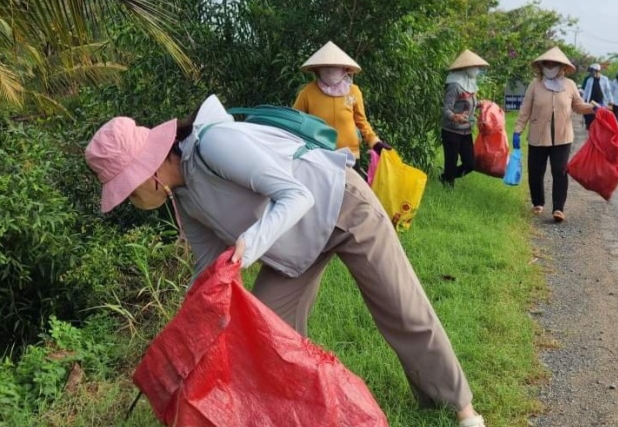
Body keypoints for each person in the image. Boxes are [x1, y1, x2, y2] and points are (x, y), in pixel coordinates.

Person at [84, 95, 486, 427]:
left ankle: (460, 407)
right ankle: (301, 411)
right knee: (269, 329)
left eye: (128, 192)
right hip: (293, 243)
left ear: (148, 172)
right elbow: (207, 267)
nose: (131, 202)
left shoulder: (212, 145)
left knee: (399, 306)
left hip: (341, 206)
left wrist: (247, 245)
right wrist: (185, 331)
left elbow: (296, 195)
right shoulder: (184, 195)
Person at [512, 47, 596, 222]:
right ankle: (538, 202)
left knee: (560, 171)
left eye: (554, 64)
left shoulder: (570, 85)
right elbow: (525, 110)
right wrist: (517, 130)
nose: (550, 67)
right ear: (541, 66)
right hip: (538, 135)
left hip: (562, 137)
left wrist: (593, 108)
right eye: (547, 64)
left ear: (562, 67)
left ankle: (558, 208)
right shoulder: (535, 85)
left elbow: (578, 106)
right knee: (536, 171)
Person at [293, 41, 390, 176]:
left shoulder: (353, 91)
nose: (331, 71)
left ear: (345, 69)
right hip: (320, 154)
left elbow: (362, 122)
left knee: (352, 194)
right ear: (317, 70)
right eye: (326, 67)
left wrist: (375, 143)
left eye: (335, 67)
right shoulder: (308, 92)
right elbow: (295, 121)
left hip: (350, 155)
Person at [440, 49, 489, 187]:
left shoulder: (470, 84)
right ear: (467, 67)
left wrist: (480, 104)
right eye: (475, 67)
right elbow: (446, 108)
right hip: (451, 132)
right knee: (451, 161)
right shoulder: (455, 86)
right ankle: (448, 186)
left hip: (466, 132)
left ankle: (445, 176)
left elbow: (469, 105)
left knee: (470, 164)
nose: (477, 70)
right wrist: (454, 117)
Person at [581, 63, 613, 130]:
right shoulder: (589, 80)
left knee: (600, 118)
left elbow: (608, 91)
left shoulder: (605, 79)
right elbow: (586, 91)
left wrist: (611, 101)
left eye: (592, 71)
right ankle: (590, 131)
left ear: (597, 71)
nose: (591, 73)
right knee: (589, 118)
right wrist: (582, 101)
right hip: (591, 102)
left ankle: (598, 132)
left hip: (601, 102)